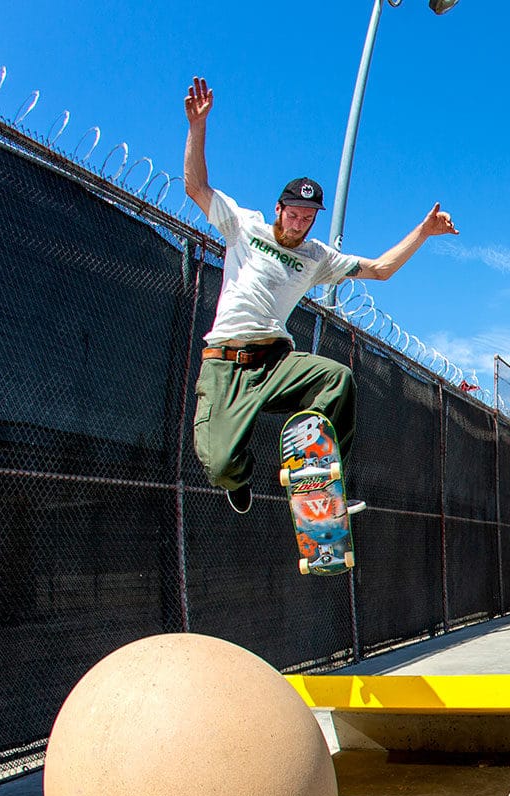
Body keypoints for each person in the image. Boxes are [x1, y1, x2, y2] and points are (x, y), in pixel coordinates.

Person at [181, 75, 457, 513]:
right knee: (219, 466)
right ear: (279, 209)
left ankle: (322, 482)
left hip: (276, 361)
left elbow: (380, 270)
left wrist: (423, 232)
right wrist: (198, 127)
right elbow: (196, 187)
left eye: (308, 219)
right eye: (294, 215)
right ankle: (239, 476)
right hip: (225, 364)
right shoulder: (243, 225)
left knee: (337, 378)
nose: (299, 225)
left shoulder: (316, 256)